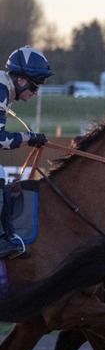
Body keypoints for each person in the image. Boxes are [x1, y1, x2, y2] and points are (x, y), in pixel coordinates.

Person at [0, 46, 53, 257]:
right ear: (21, 80)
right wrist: (28, 138)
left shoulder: (5, 88)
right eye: (35, 85)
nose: (35, 92)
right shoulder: (1, 89)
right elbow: (1, 140)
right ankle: (3, 239)